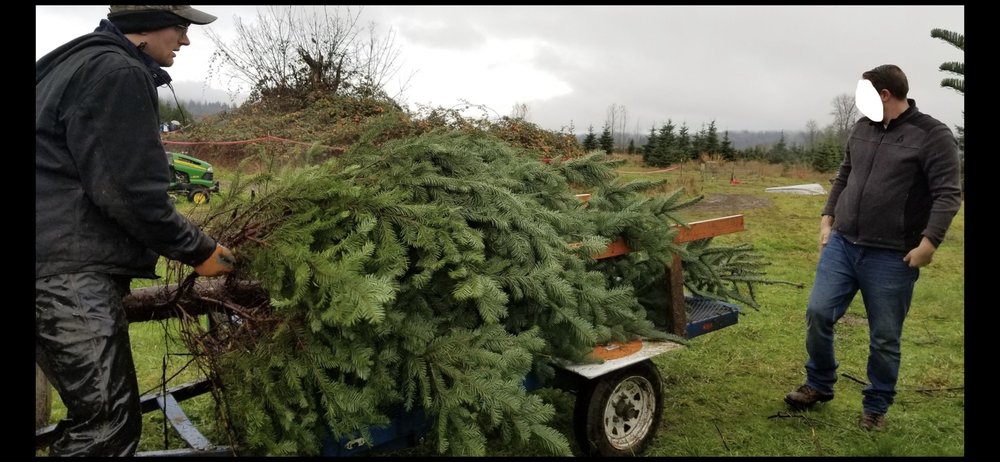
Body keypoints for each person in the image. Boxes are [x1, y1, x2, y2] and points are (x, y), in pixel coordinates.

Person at [36, 5, 234, 456]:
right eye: (181, 28)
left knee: (91, 415)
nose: (185, 40)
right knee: (105, 427)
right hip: (64, 272)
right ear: (146, 22)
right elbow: (129, 192)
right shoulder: (118, 71)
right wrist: (198, 249)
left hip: (49, 258)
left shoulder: (72, 61)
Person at [783, 64, 962, 431]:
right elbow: (844, 174)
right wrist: (827, 217)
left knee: (884, 336)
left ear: (884, 94)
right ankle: (819, 383)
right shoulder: (862, 128)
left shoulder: (932, 135)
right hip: (844, 245)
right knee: (818, 313)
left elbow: (948, 194)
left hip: (893, 256)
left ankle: (876, 406)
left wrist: (929, 244)